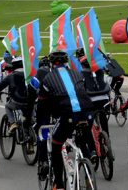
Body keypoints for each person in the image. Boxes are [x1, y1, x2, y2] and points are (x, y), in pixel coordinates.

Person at [36, 51, 96, 190]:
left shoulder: (48, 78)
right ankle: (89, 177)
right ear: (66, 62)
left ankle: (59, 185)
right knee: (82, 141)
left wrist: (39, 124)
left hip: (68, 115)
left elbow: (42, 106)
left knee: (56, 146)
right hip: (88, 112)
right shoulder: (78, 74)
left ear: (51, 64)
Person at [0, 56, 34, 134]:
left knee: (7, 106)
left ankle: (12, 123)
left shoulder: (11, 76)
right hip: (29, 102)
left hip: (17, 101)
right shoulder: (30, 75)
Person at [80, 56, 111, 136]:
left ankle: (91, 140)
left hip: (91, 102)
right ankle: (107, 137)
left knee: (88, 120)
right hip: (105, 101)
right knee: (103, 117)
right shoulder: (102, 73)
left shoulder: (81, 75)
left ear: (83, 65)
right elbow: (109, 87)